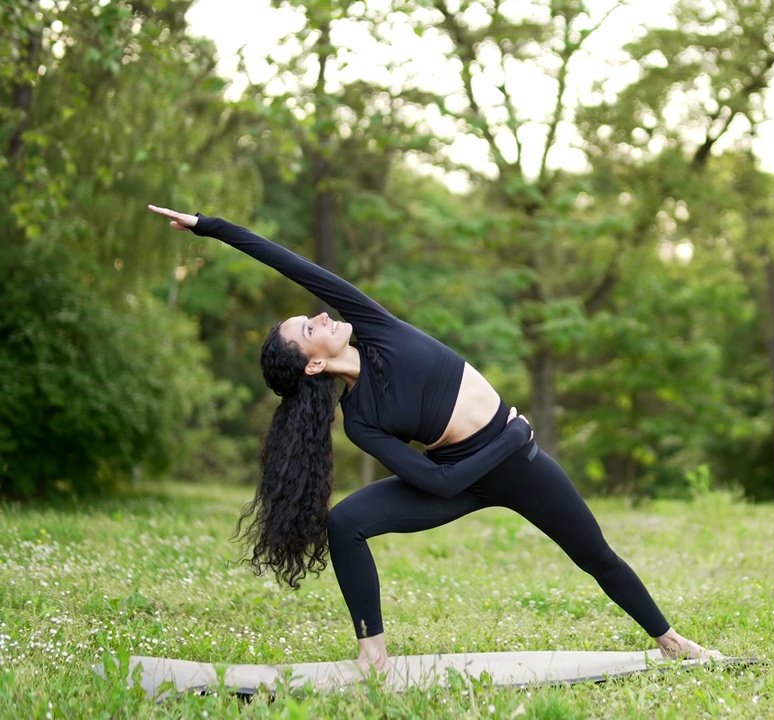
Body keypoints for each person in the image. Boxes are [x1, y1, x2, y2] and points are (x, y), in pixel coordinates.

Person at [147, 205, 720, 672]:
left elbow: (290, 264)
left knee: (595, 553)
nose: (319, 317)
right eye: (307, 329)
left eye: (313, 316)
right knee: (346, 522)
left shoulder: (371, 325)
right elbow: (435, 479)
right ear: (312, 367)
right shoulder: (362, 419)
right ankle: (373, 655)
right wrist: (512, 437)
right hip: (472, 469)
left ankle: (670, 640)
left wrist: (209, 227)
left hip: (517, 463)